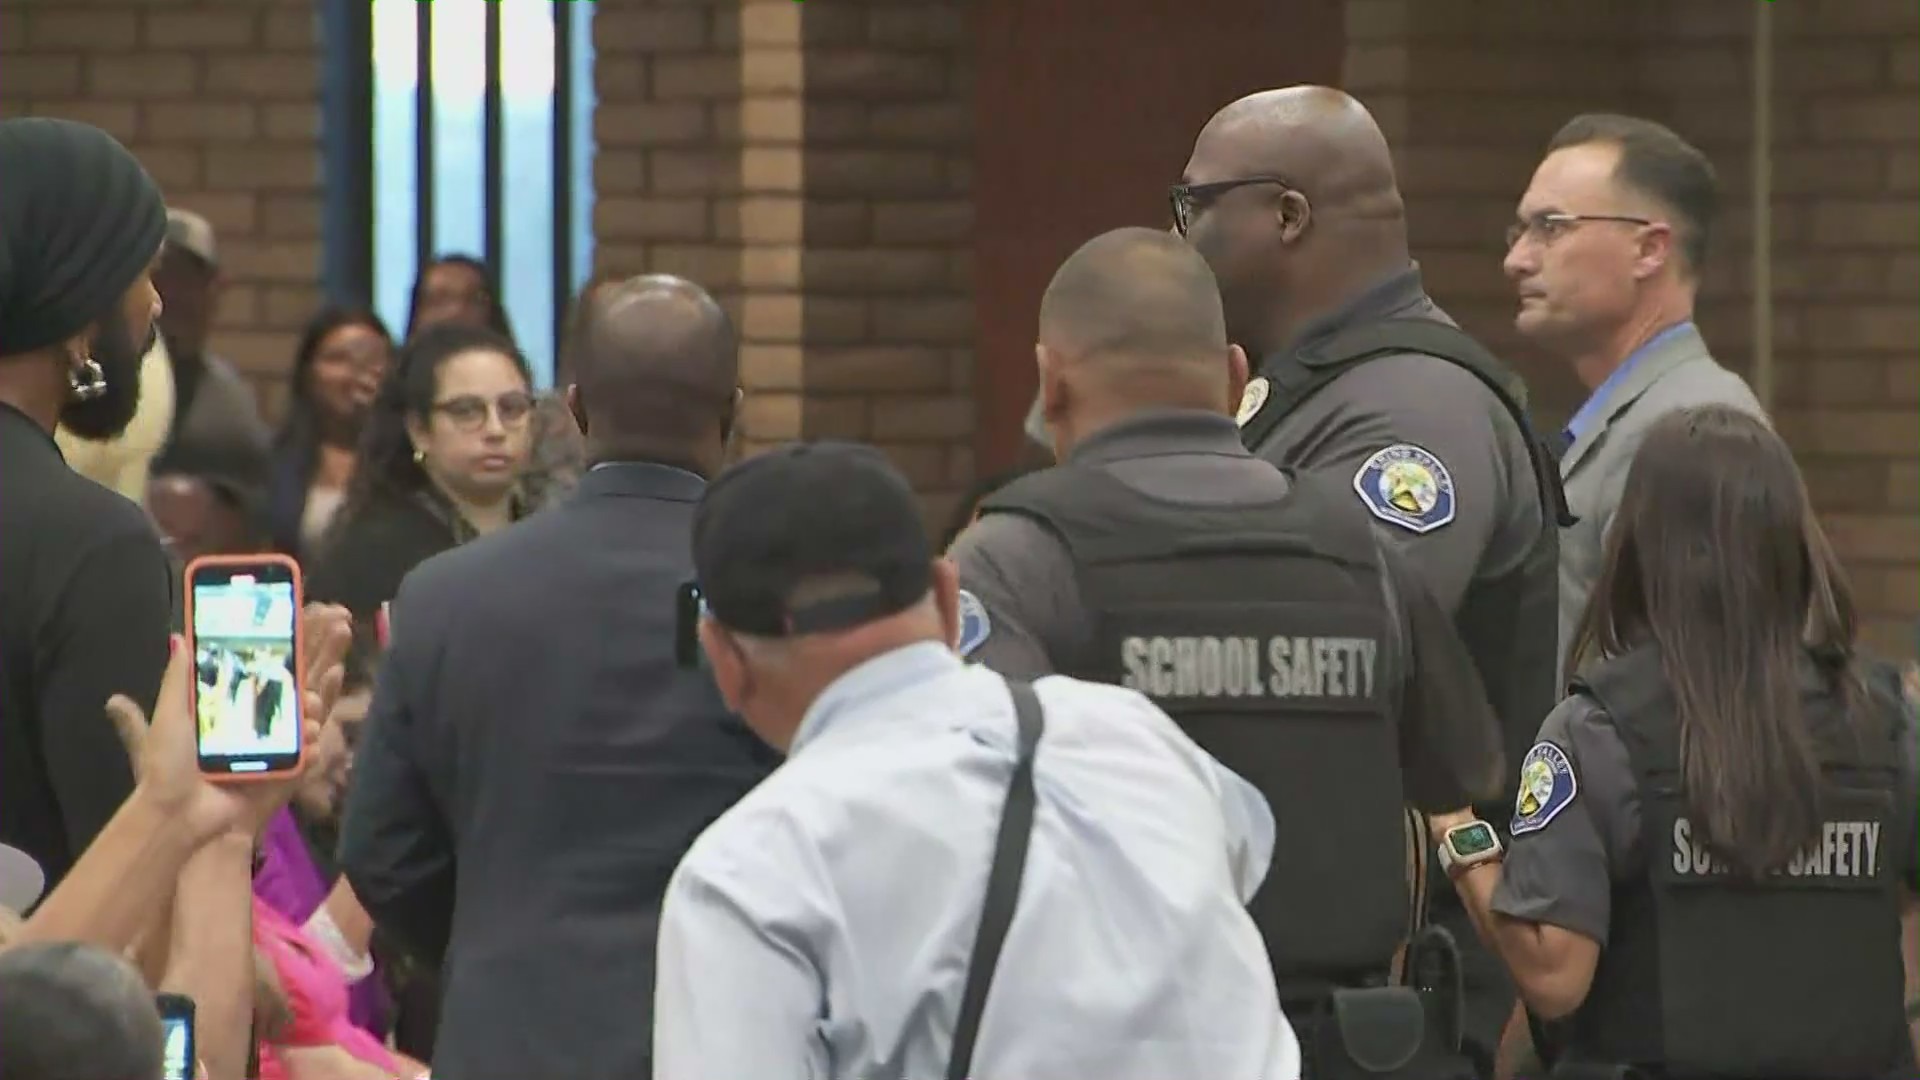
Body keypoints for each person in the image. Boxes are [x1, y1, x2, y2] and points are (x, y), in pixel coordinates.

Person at [951, 227, 1502, 1075]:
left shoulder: (1013, 559)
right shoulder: (1363, 551)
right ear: (1239, 377)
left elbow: (953, 816)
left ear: (1050, 380)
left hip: (1114, 1047)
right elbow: (1460, 772)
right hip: (1348, 1047)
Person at [656, 438, 1298, 1079]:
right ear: (945, 598)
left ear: (723, 657)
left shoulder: (751, 874)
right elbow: (1240, 859)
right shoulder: (1133, 735)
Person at [1172, 85, 1565, 1070]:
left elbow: (1317, 661)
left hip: (1398, 995)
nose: (1180, 243)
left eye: (1196, 209)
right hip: (1323, 975)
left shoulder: (1411, 414)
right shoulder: (1323, 391)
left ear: (1287, 216)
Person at [339, 275, 778, 1080]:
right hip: (735, 1035)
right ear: (734, 411)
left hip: (510, 1034)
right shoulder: (780, 603)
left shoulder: (443, 597)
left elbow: (384, 852)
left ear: (570, 413)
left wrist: (493, 948)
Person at [1429, 405, 1917, 1078]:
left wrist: (1459, 836)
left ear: (1641, 543)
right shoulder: (1886, 719)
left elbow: (1553, 974)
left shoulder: (1596, 731)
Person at [1501, 114, 1766, 671]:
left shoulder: (1694, 428)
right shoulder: (1636, 419)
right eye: (1520, 230)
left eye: (1551, 226)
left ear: (1649, 250)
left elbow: (1698, 693)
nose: (1517, 259)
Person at [0, 117, 176, 889]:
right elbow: (126, 860)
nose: (156, 305)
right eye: (143, 273)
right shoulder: (94, 545)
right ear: (78, 318)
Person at [306, 323, 536, 656]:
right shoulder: (368, 554)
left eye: (512, 408)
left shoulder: (560, 536)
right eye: (467, 411)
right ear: (419, 430)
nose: (495, 430)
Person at [266, 307, 394, 559]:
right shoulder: (275, 462)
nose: (356, 374)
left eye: (371, 360)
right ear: (307, 372)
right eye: (338, 359)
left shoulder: (409, 463)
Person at [151, 208, 273, 468]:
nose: (171, 293)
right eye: (160, 276)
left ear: (216, 290)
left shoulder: (232, 405)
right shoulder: (99, 390)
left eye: (186, 278)